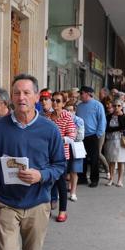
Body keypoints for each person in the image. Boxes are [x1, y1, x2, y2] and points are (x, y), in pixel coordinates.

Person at [0, 74, 66, 250]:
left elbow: (60, 165)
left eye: (26, 93)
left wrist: (41, 175)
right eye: (17, 93)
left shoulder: (49, 129)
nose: (21, 97)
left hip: (38, 203)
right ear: (12, 97)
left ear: (37, 97)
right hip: (7, 203)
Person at [45, 92, 76, 222]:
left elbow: (72, 137)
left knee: (60, 183)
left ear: (63, 103)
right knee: (47, 182)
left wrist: (58, 140)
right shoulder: (47, 116)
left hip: (62, 155)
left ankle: (62, 211)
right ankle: (46, 207)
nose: (55, 103)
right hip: (46, 155)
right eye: (53, 100)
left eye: (58, 101)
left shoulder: (67, 116)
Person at [76, 86, 106, 187]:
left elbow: (102, 121)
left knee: (94, 159)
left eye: (82, 93)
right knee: (82, 159)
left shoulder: (98, 105)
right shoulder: (79, 106)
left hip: (93, 136)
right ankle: (82, 178)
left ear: (88, 94)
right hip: (81, 136)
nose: (80, 95)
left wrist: (98, 134)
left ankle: (94, 179)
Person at [104, 99, 125, 187]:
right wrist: (117, 128)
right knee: (111, 161)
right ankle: (111, 178)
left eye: (119, 106)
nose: (116, 108)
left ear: (122, 107)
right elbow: (107, 128)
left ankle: (120, 180)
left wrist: (119, 117)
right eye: (115, 106)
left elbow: (123, 126)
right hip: (111, 140)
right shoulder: (108, 116)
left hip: (121, 140)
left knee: (120, 161)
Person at [65, 101, 85, 201]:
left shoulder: (79, 120)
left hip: (76, 147)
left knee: (74, 170)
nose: (69, 112)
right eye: (67, 110)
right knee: (63, 170)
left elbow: (80, 136)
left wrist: (69, 135)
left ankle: (73, 192)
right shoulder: (63, 119)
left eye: (71, 110)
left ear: (75, 111)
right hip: (64, 146)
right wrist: (72, 133)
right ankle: (62, 190)